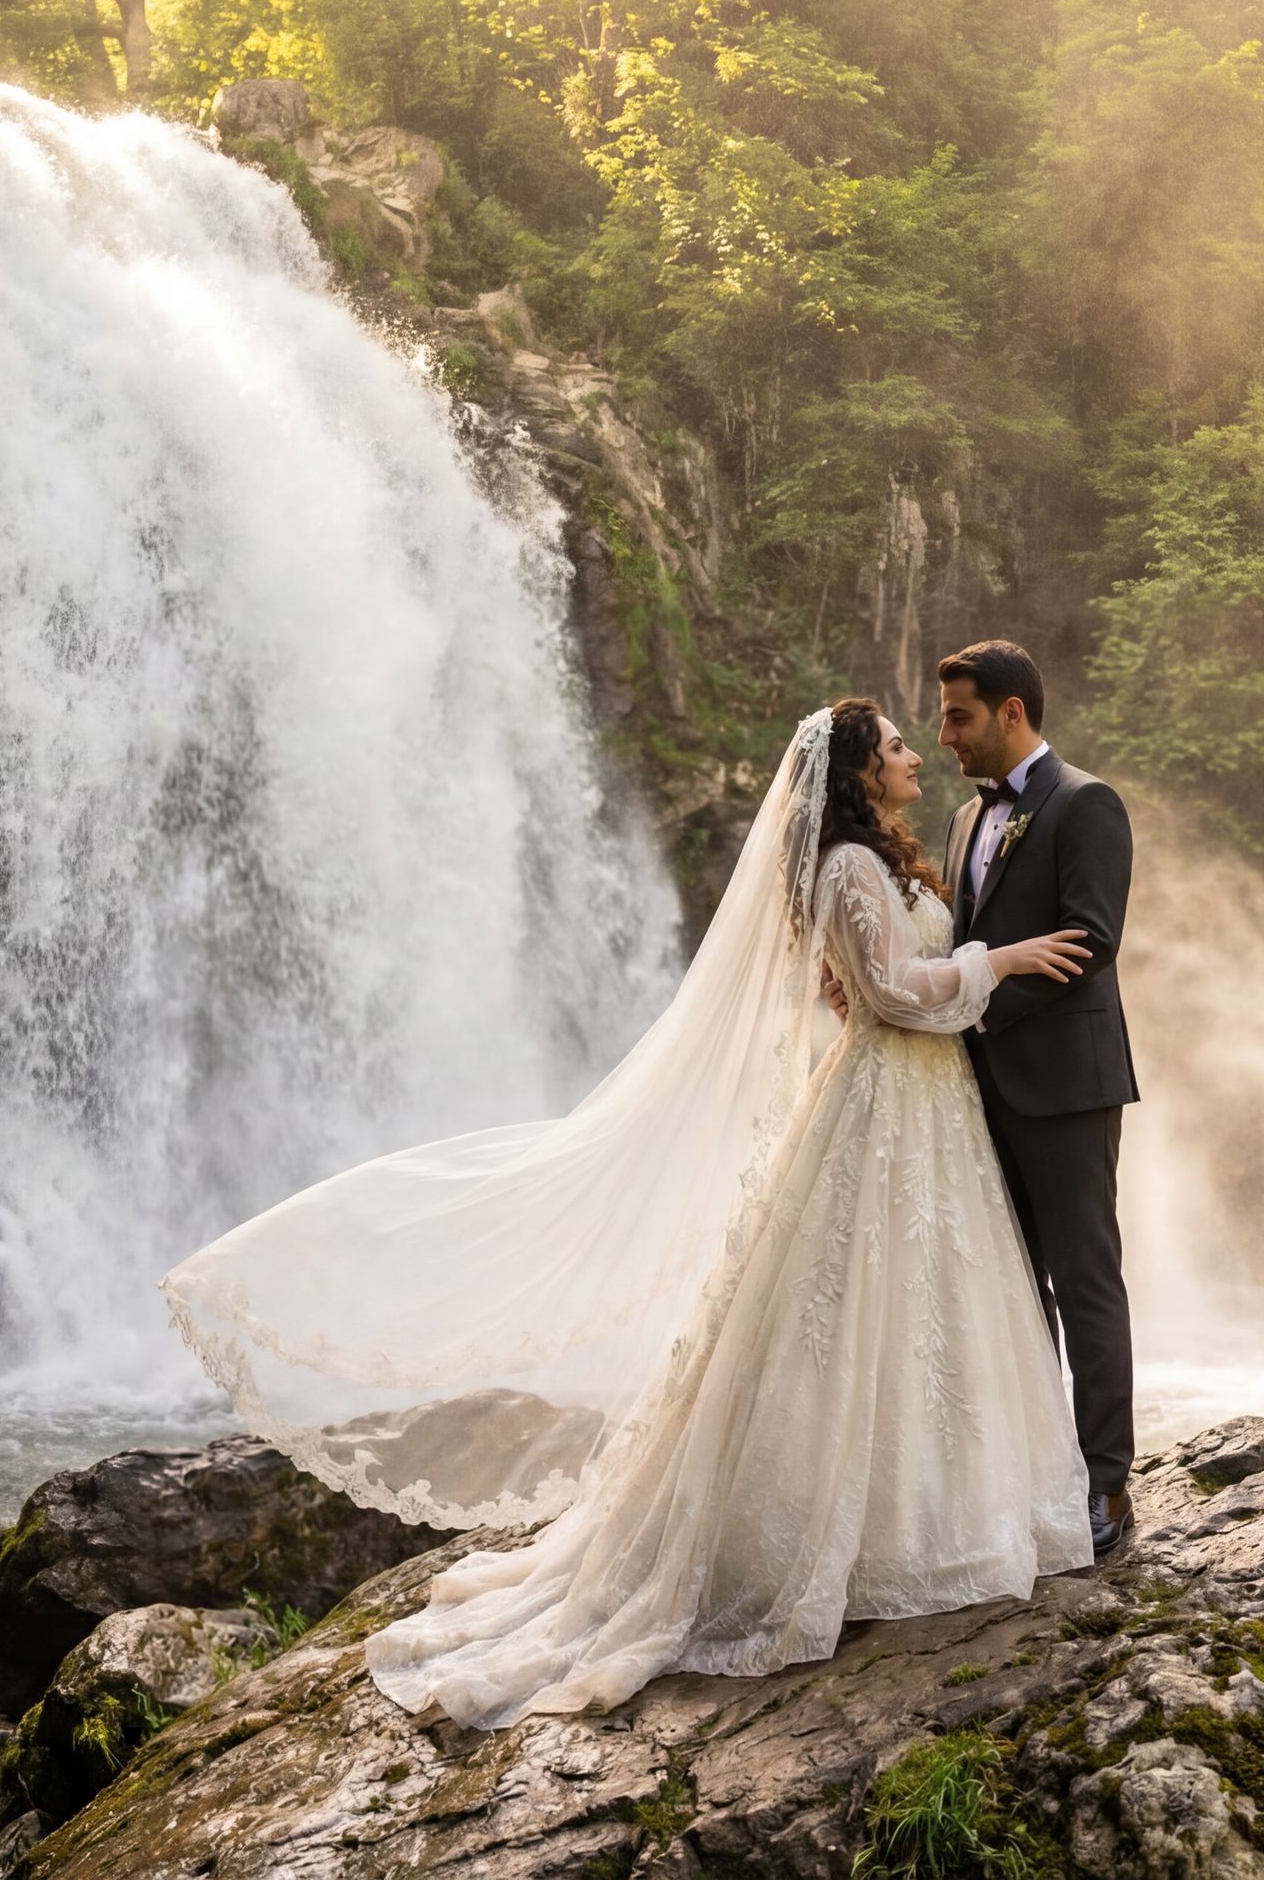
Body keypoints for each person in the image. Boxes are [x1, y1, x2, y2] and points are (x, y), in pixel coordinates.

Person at [162, 700, 1097, 1729]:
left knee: (915, 1314)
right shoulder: (844, 867)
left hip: (923, 1109)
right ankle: (844, 1536)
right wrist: (996, 962)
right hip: (882, 1101)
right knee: (849, 1316)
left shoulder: (885, 861)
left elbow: (864, 984)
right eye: (898, 748)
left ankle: (925, 1513)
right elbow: (883, 991)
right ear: (859, 776)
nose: (919, 753)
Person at [933, 641, 1141, 1554]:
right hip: (981, 1091)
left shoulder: (1086, 802)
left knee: (1085, 1280)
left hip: (1064, 1084)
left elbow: (1092, 938)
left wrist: (976, 1013)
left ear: (1011, 712)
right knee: (1018, 1290)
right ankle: (1039, 1471)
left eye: (959, 716)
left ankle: (1107, 1485)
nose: (945, 736)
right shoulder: (959, 818)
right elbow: (960, 939)